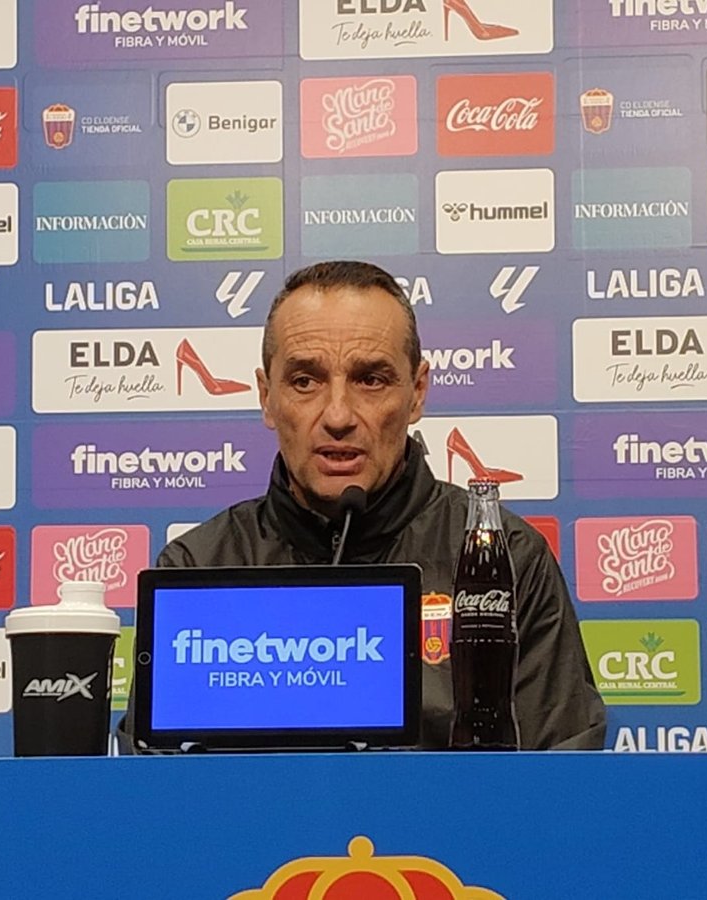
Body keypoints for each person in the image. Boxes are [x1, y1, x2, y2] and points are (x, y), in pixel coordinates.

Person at [156, 260, 606, 750]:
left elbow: (562, 787)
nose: (338, 416)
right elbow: (156, 799)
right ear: (267, 397)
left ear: (417, 393)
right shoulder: (197, 569)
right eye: (305, 381)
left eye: (370, 380)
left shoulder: (505, 561)